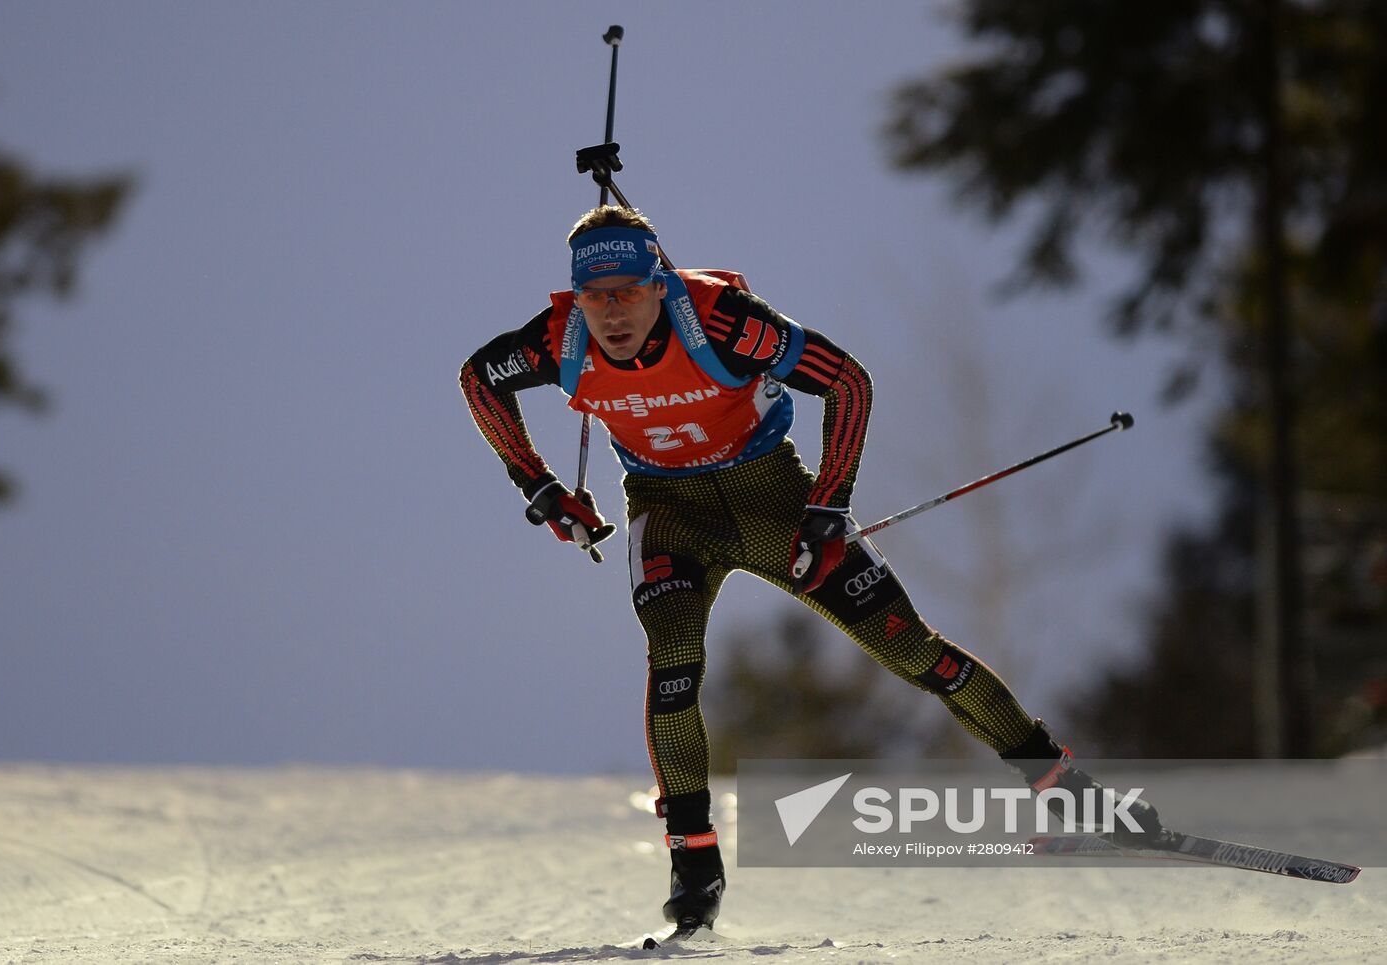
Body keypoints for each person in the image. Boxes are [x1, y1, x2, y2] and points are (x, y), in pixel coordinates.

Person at [460, 205, 1159, 931]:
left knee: (910, 647)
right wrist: (541, 488)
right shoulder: (558, 340)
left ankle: (1062, 785)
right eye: (594, 295)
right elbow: (480, 380)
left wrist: (829, 505)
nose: (610, 312)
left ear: (659, 283)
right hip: (669, 515)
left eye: (628, 290)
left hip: (774, 501)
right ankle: (694, 864)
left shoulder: (723, 321)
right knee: (673, 662)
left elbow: (847, 382)